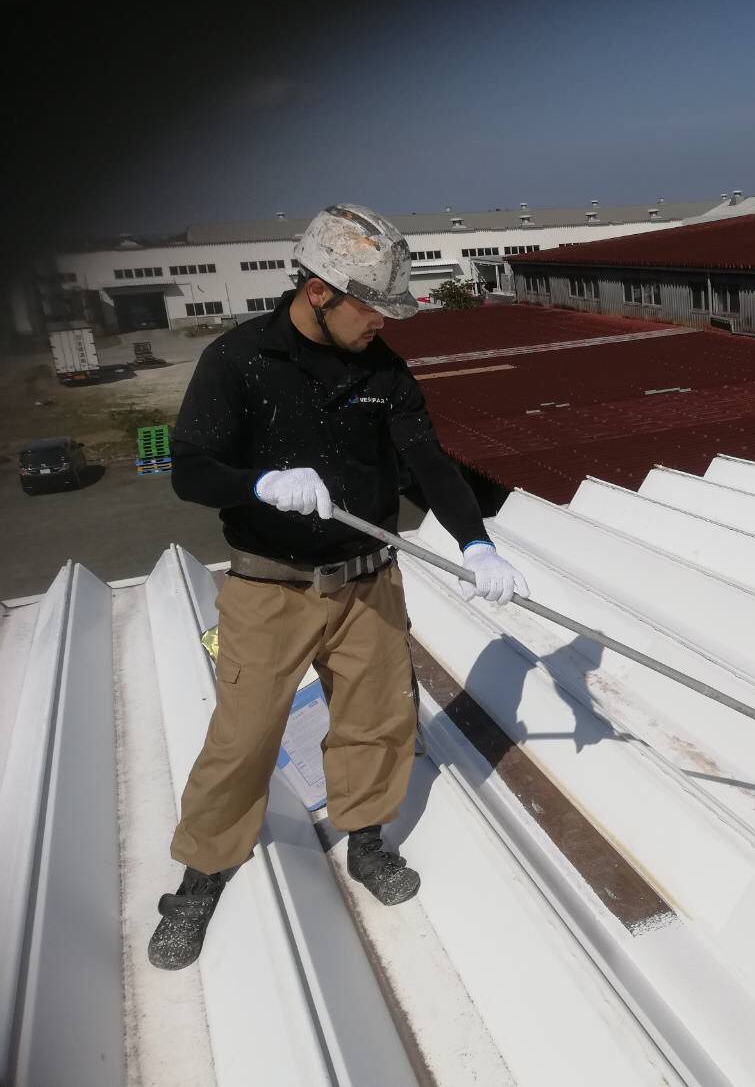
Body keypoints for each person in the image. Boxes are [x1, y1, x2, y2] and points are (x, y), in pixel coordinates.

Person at [148, 204, 527, 970]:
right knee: (244, 736)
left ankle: (367, 840)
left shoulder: (381, 370)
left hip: (368, 583)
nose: (382, 326)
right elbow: (190, 468)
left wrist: (477, 542)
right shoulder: (239, 361)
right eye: (372, 309)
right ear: (320, 291)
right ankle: (201, 876)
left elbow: (426, 461)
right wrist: (259, 480)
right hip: (270, 587)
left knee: (378, 719)